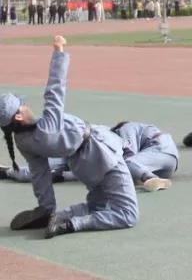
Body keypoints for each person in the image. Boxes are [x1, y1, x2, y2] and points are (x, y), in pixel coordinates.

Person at [0, 36, 138, 238]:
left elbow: (40, 174)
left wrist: (46, 206)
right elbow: (55, 90)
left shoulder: (22, 141)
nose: (26, 105)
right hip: (101, 155)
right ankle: (72, 223)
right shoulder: (48, 127)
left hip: (82, 166)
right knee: (128, 215)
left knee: (98, 207)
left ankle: (61, 215)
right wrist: (59, 52)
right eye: (22, 105)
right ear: (19, 116)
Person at [1, 158, 75, 184]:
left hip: (76, 162)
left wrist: (62, 176)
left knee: (41, 174)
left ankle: (7, 172)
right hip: (67, 153)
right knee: (38, 169)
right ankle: (8, 171)